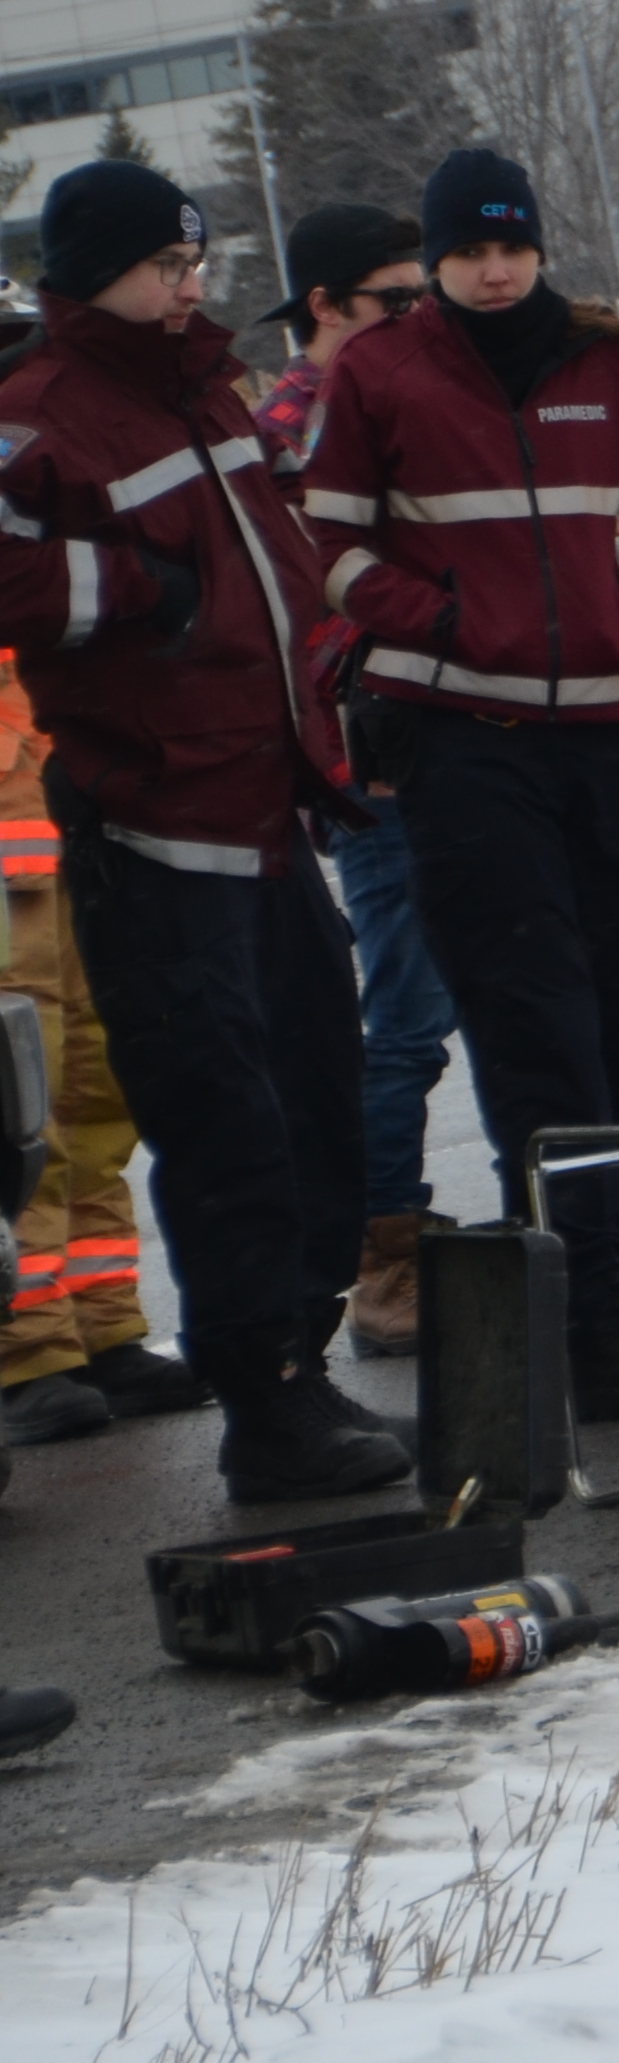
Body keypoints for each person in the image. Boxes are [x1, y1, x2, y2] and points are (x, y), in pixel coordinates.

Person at [0, 159, 393, 1500]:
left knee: (319, 1101)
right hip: (160, 837)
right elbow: (13, 568)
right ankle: (266, 1398)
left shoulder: (207, 387)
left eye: (195, 262)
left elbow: (276, 574)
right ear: (96, 270)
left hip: (271, 815)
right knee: (225, 1127)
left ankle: (310, 1353)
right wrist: (141, 593)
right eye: (165, 266)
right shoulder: (42, 413)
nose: (190, 285)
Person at [296, 148, 619, 1415]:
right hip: (469, 748)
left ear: (537, 246)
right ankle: (591, 1334)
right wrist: (444, 622)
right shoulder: (380, 372)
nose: (493, 268)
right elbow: (329, 539)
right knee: (537, 1042)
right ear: (436, 259)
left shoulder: (601, 358)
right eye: (470, 250)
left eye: (512, 246)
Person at [258, 201, 457, 1357]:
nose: (417, 319)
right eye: (396, 301)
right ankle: (382, 1258)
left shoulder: (396, 400)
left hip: (452, 737)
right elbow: (307, 619)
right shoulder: (289, 433)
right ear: (324, 308)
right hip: (375, 762)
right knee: (408, 1019)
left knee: (492, 996)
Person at [0, 527, 205, 1447]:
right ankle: (26, 1350)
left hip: (73, 851)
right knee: (13, 1117)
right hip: (14, 884)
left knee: (94, 1094)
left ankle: (102, 1320)